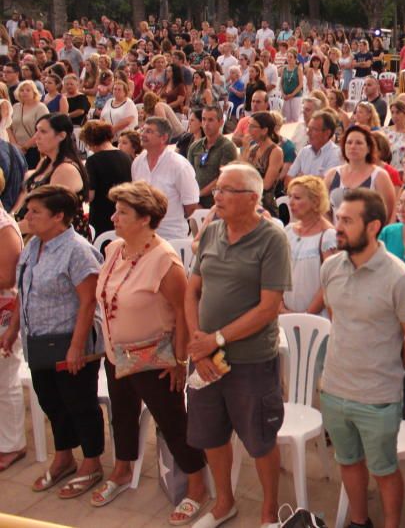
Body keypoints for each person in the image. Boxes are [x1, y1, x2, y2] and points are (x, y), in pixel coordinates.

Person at [90, 182, 209, 520]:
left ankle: (197, 485)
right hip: (117, 354)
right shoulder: (114, 249)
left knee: (173, 422)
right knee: (122, 415)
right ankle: (122, 469)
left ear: (145, 219)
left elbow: (185, 309)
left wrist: (180, 359)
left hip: (155, 357)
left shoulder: (164, 260)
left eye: (122, 213)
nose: (113, 217)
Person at [184, 163, 291, 528]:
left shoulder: (272, 239)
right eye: (219, 189)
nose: (218, 196)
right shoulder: (212, 231)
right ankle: (224, 503)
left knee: (260, 438)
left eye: (227, 190)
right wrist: (199, 343)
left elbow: (268, 307)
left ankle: (269, 512)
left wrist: (216, 339)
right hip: (206, 357)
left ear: (252, 198)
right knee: (211, 434)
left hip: (251, 360)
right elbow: (191, 290)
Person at [320, 188, 405, 528]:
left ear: (373, 226)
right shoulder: (331, 267)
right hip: (335, 389)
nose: (339, 226)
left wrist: (388, 366)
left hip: (378, 397)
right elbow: (338, 316)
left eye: (348, 221)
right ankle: (358, 521)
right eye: (339, 218)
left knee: (383, 469)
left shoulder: (401, 280)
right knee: (348, 462)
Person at [2, 186, 105, 499]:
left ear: (59, 216)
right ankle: (64, 457)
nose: (27, 217)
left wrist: (77, 347)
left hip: (69, 340)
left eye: (35, 212)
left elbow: (88, 302)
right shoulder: (35, 247)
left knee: (79, 403)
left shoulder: (76, 250)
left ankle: (92, 462)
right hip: (39, 339)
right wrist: (13, 329)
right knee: (52, 402)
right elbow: (25, 290)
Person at [131, 117, 200, 241]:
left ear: (164, 138)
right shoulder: (138, 162)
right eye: (143, 130)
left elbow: (191, 206)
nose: (143, 135)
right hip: (144, 234)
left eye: (149, 131)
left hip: (171, 237)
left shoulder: (179, 166)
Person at [281, 175, 336, 314]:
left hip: (315, 320)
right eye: (290, 197)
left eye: (297, 198)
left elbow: (328, 283)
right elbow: (278, 271)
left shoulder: (328, 236)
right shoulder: (288, 231)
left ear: (315, 201)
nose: (291, 202)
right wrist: (280, 307)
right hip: (284, 316)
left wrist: (307, 315)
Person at [0, 169, 25, 473]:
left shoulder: (5, 227)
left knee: (5, 380)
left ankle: (12, 443)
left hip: (5, 311)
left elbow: (8, 276)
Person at [324, 125, 396, 219]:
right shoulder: (332, 174)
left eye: (359, 143)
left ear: (369, 148)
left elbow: (387, 214)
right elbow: (323, 209)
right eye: (349, 142)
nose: (353, 146)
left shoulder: (380, 176)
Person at [79, 120, 132, 237]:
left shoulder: (93, 161)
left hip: (101, 215)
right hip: (123, 210)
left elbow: (90, 195)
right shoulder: (126, 157)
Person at [186, 105, 238, 209]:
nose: (206, 124)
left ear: (220, 122)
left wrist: (199, 194)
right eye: (203, 119)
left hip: (217, 202)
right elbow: (188, 175)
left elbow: (223, 179)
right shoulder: (195, 147)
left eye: (210, 120)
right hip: (195, 201)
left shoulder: (227, 147)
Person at [244, 112, 284, 216]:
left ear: (264, 130)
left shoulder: (275, 151)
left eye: (253, 127)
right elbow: (241, 171)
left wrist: (247, 183)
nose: (249, 130)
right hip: (249, 202)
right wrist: (245, 149)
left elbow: (267, 185)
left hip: (265, 206)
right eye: (249, 125)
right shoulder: (253, 149)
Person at [11, 80, 48, 168]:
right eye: (22, 90)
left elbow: (43, 129)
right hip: (16, 148)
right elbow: (8, 127)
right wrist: (15, 144)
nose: (24, 92)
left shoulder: (40, 107)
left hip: (34, 149)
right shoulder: (15, 107)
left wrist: (25, 146)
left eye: (28, 90)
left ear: (34, 92)